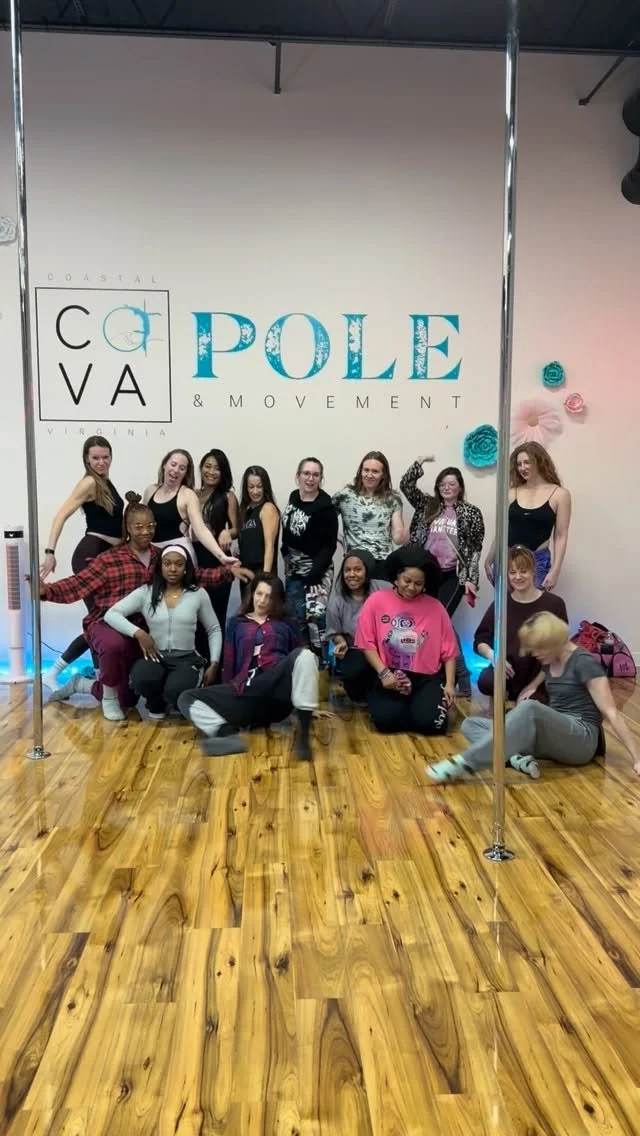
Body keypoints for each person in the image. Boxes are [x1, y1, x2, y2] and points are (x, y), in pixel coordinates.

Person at [41, 495, 249, 721]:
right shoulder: (108, 560)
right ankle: (108, 698)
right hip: (106, 622)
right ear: (128, 528)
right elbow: (77, 584)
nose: (145, 531)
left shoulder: (160, 557)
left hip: (139, 632)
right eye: (139, 527)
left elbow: (193, 575)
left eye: (150, 526)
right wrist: (46, 591)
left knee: (128, 699)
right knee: (113, 644)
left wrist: (227, 571)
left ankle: (82, 684)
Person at [426, 612, 640, 782]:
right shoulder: (550, 660)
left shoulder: (585, 662)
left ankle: (465, 763)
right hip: (554, 737)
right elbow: (546, 676)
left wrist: (637, 759)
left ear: (554, 642)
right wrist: (532, 686)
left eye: (538, 649)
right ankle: (516, 759)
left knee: (530, 708)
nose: (534, 654)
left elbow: (611, 712)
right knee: (471, 725)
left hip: (580, 739)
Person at [178, 573, 319, 760]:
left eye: (269, 597)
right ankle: (225, 734)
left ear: (277, 600)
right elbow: (229, 662)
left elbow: (301, 662)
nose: (262, 600)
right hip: (246, 689)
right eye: (259, 594)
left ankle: (303, 737)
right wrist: (226, 694)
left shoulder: (287, 623)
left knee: (306, 655)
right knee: (186, 698)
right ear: (252, 594)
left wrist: (308, 706)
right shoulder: (236, 623)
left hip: (277, 687)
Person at [40, 436, 124, 689]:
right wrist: (50, 552)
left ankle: (97, 676)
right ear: (87, 459)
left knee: (104, 619)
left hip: (106, 556)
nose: (101, 462)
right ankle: (55, 673)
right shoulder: (89, 482)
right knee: (99, 620)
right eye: (95, 458)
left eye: (105, 457)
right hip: (91, 554)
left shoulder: (105, 482)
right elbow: (60, 515)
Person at [104, 545, 221, 719]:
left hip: (186, 658)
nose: (173, 569)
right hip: (155, 656)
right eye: (167, 563)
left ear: (186, 567)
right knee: (142, 678)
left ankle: (175, 699)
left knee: (176, 691)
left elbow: (214, 629)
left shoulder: (198, 594)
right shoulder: (146, 592)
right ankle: (155, 704)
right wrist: (138, 633)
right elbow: (111, 614)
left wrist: (214, 663)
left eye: (179, 564)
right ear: (160, 566)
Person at [400, 457, 485, 697]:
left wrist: (471, 579)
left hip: (453, 576)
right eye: (442, 484)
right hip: (425, 574)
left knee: (439, 619)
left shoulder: (471, 513)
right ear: (437, 487)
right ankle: (447, 674)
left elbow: (474, 549)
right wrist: (418, 463)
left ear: (460, 487)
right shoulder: (427, 505)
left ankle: (461, 675)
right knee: (439, 623)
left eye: (452, 484)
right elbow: (406, 485)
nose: (447, 488)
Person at [354, 547, 458, 735]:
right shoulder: (376, 601)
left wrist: (450, 684)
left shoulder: (436, 607)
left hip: (426, 677)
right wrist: (384, 674)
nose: (411, 588)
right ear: (397, 577)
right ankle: (410, 708)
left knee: (431, 725)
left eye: (418, 583)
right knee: (386, 723)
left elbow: (449, 652)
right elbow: (366, 643)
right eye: (407, 581)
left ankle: (426, 708)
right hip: (391, 674)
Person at [474, 545, 568, 701]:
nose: (517, 577)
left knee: (534, 702)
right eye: (512, 572)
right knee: (486, 682)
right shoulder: (501, 603)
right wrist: (494, 656)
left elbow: (560, 649)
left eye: (523, 571)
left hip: (540, 673)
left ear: (533, 571)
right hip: (508, 670)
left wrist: (534, 685)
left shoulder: (555, 604)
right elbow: (480, 640)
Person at [484, 442, 571, 590]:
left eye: (527, 462)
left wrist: (555, 570)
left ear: (539, 461)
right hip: (508, 559)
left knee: (534, 604)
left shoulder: (560, 495)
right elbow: (502, 531)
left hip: (538, 561)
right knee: (507, 604)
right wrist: (488, 560)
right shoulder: (512, 493)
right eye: (519, 464)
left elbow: (560, 535)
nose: (522, 468)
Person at [281, 457, 338, 659]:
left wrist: (314, 576)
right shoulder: (293, 497)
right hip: (294, 569)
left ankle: (322, 665)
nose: (310, 478)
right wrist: (285, 553)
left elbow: (329, 546)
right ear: (298, 476)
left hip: (317, 570)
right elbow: (288, 529)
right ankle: (301, 663)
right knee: (296, 618)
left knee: (315, 617)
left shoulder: (326, 507)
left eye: (315, 474)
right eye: (306, 473)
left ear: (321, 478)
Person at [143, 448, 238, 567]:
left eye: (182, 468)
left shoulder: (188, 495)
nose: (176, 470)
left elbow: (201, 530)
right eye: (173, 464)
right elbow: (141, 522)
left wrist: (222, 557)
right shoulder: (150, 490)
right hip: (152, 555)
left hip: (178, 557)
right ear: (164, 465)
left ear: (186, 473)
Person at [325, 549, 391, 702]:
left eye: (357, 569)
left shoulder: (384, 588)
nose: (352, 574)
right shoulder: (337, 599)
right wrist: (341, 642)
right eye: (347, 570)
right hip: (355, 649)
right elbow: (334, 632)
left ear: (367, 571)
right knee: (353, 675)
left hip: (385, 648)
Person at [332, 451, 407, 578]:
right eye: (366, 470)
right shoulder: (345, 496)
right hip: (354, 562)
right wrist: (340, 539)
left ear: (383, 475)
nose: (369, 475)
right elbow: (324, 522)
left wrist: (408, 531)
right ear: (360, 472)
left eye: (375, 471)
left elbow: (398, 538)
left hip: (382, 562)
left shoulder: (392, 499)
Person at [194, 449, 241, 642]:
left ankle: (217, 659)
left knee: (215, 615)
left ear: (223, 472)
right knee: (194, 616)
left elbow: (237, 528)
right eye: (207, 466)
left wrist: (227, 532)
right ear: (201, 468)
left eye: (217, 468)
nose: (211, 472)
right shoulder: (192, 494)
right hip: (194, 558)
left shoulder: (228, 496)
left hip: (218, 560)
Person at [237, 465, 281, 579]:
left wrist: (265, 578)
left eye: (259, 486)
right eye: (251, 487)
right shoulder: (244, 510)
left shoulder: (268, 508)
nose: (255, 491)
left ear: (265, 487)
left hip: (262, 573)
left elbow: (269, 546)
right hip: (246, 575)